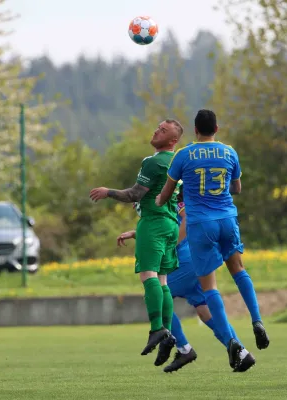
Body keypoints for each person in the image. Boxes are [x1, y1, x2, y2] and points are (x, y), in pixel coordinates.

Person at [155, 109, 266, 372]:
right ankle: (255, 322)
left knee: (186, 290)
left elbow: (167, 195)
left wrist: (158, 203)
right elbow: (237, 188)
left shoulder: (184, 156)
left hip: (201, 226)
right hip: (227, 218)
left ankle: (185, 347)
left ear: (195, 130)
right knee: (237, 272)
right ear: (216, 128)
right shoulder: (229, 152)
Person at [89, 119, 184, 367]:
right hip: (171, 224)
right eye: (158, 127)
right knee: (162, 280)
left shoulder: (153, 162)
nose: (156, 131)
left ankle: (157, 329)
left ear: (173, 140)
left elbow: (134, 194)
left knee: (148, 275)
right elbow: (176, 194)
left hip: (153, 223)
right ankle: (167, 334)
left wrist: (107, 191)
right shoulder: (178, 163)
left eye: (163, 130)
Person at [116, 188, 241, 373]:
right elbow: (166, 225)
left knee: (157, 296)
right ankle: (240, 351)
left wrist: (172, 243)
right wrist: (137, 233)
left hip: (185, 260)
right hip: (193, 260)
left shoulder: (169, 193)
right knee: (205, 311)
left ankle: (183, 348)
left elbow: (186, 218)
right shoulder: (157, 199)